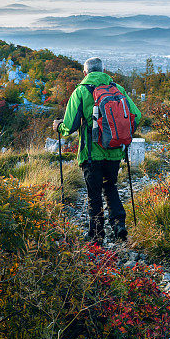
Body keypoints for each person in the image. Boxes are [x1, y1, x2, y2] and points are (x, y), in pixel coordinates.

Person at [53, 57, 143, 245]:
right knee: (110, 187)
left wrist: (58, 127)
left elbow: (69, 126)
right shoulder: (118, 89)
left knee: (94, 194)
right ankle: (119, 225)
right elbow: (137, 114)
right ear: (103, 70)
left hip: (91, 154)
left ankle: (96, 235)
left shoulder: (81, 91)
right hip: (115, 150)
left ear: (85, 73)